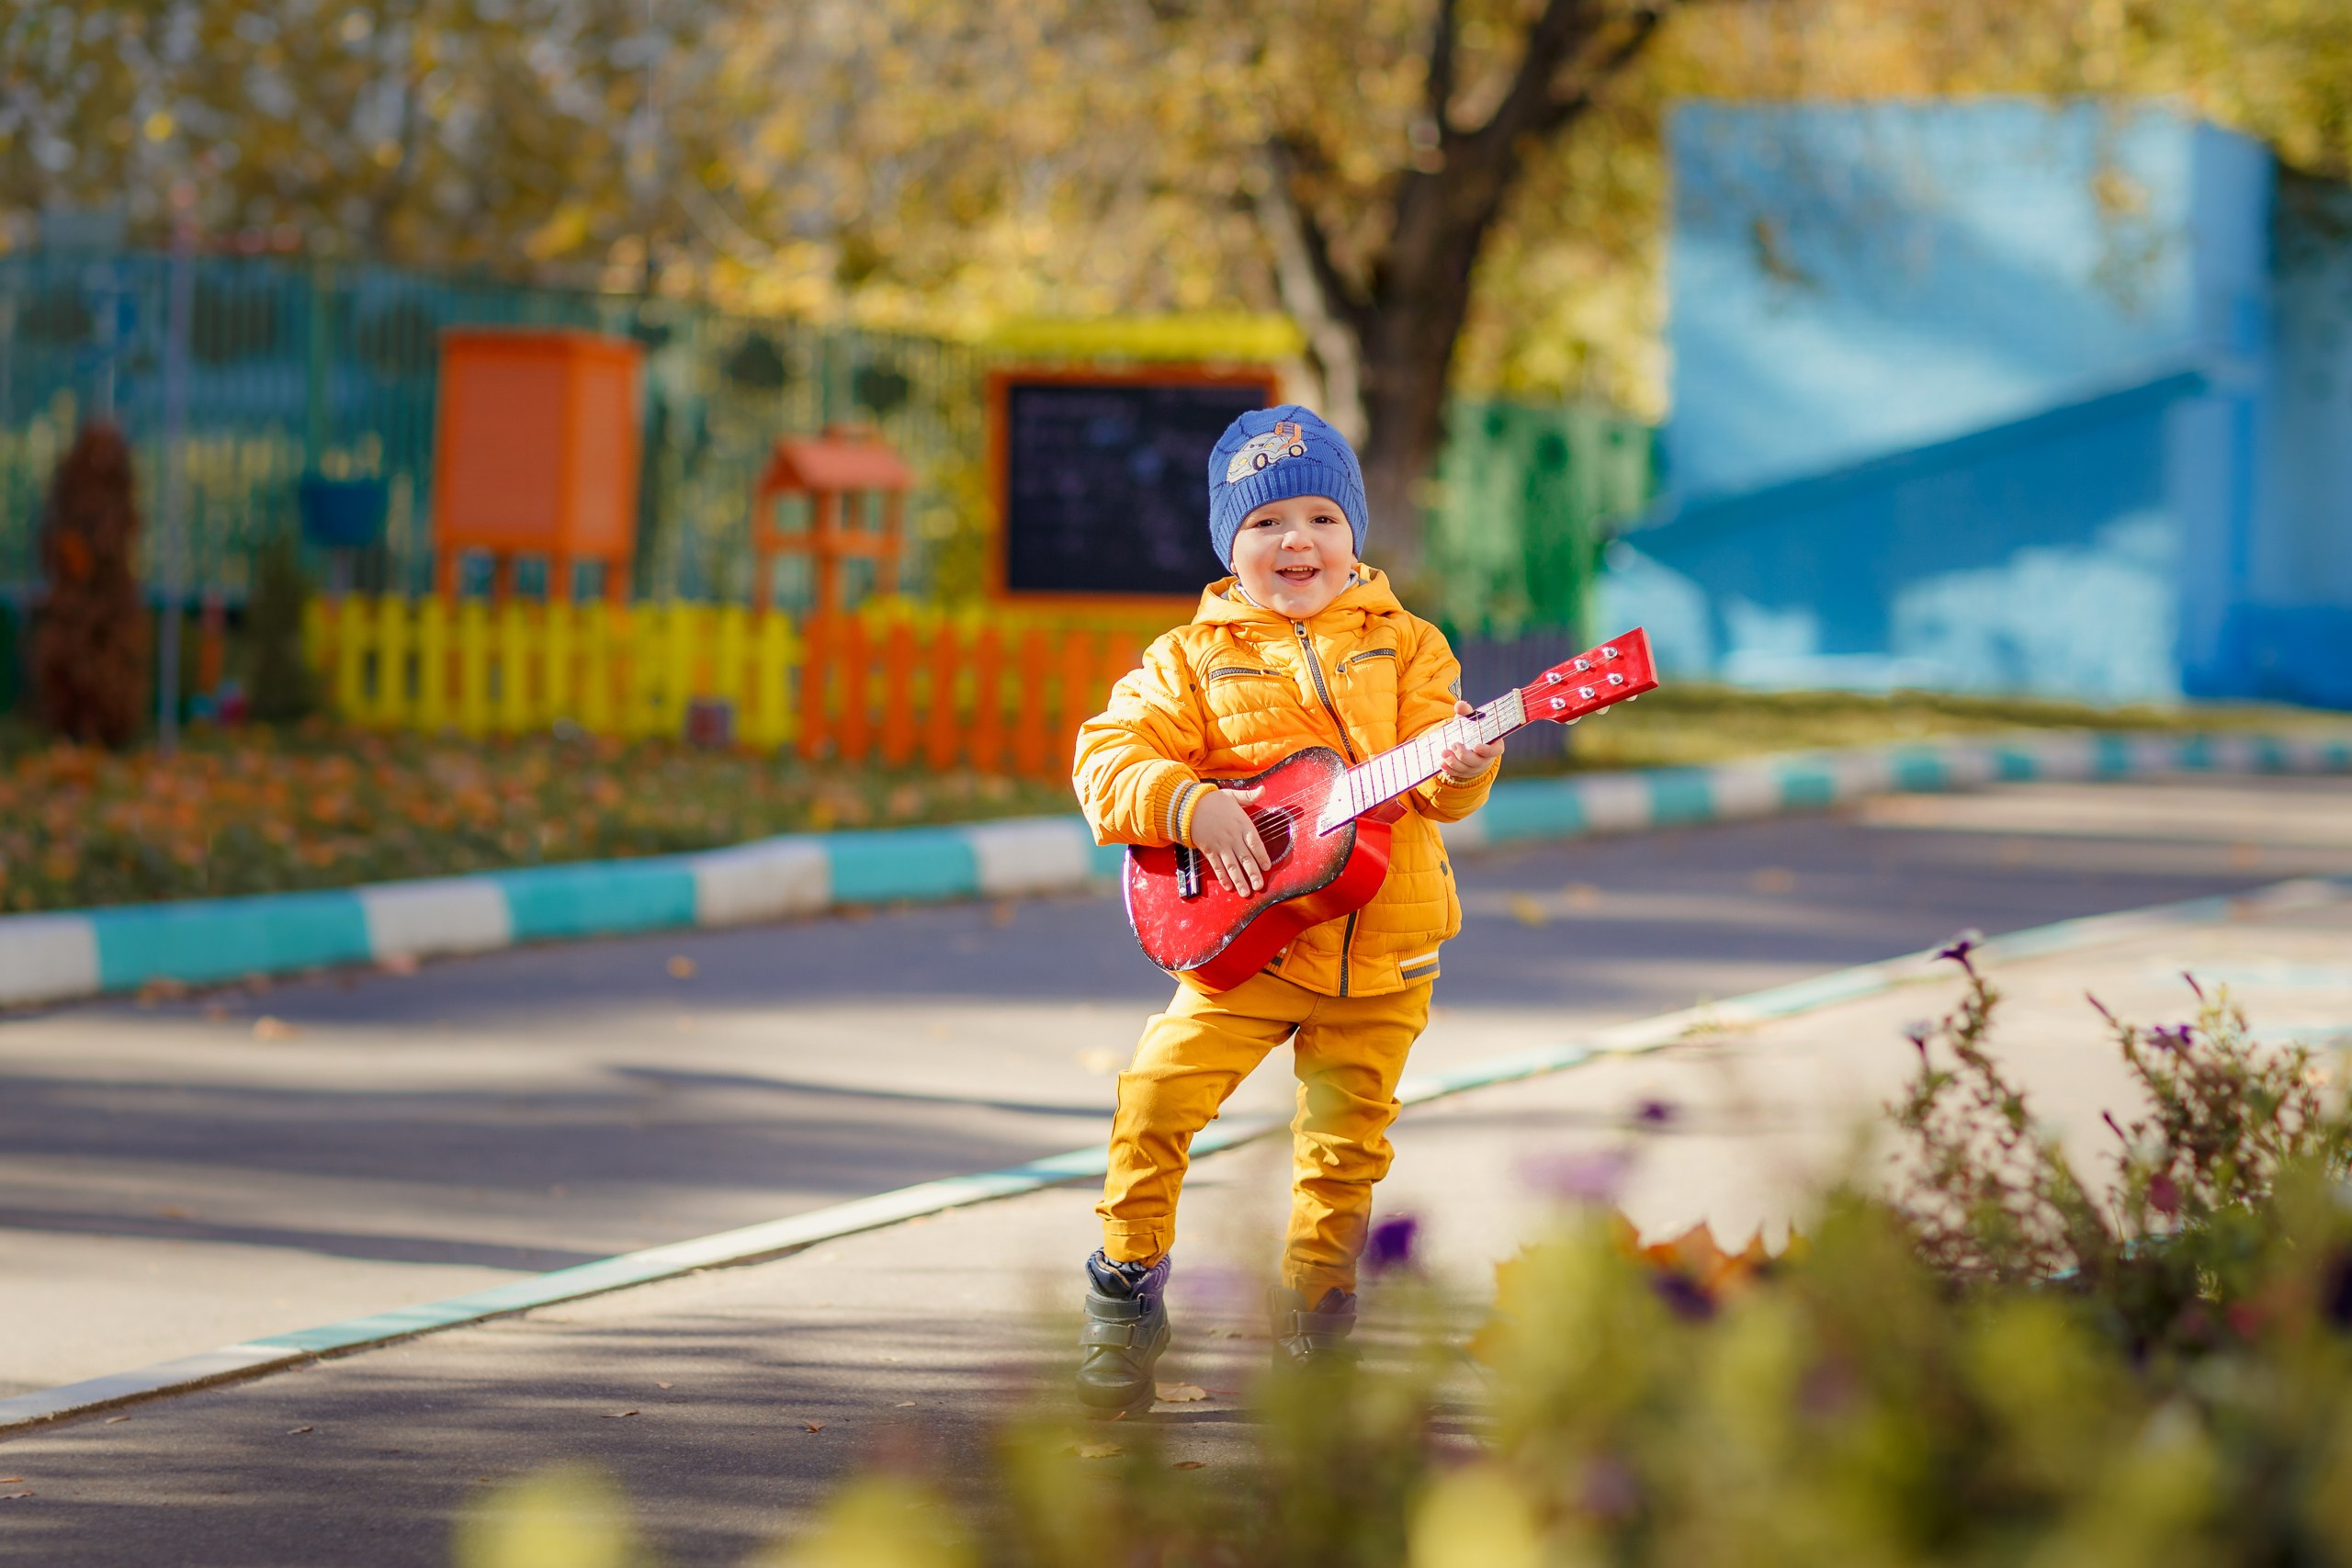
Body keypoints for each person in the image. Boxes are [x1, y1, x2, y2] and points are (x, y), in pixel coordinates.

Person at [1069, 403, 1502, 1416]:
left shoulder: (1411, 647)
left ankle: (1317, 1321)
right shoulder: (1190, 659)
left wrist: (1466, 761)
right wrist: (1192, 805)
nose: (1295, 540)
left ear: (1353, 534)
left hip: (1384, 954)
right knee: (1154, 1100)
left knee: (1342, 1153)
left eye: (1320, 517)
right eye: (1265, 522)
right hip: (1245, 948)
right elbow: (1106, 756)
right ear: (1230, 545)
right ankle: (1125, 1289)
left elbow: (1441, 793)